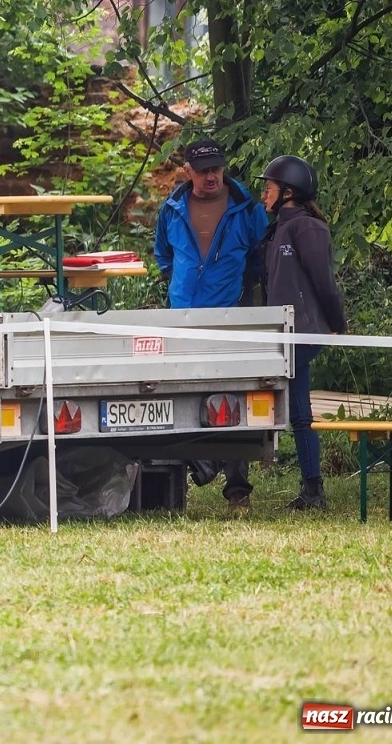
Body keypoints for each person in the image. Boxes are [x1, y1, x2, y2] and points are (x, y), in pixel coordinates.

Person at [153, 138, 269, 507]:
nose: (211, 177)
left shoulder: (245, 206)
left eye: (216, 169)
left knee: (232, 398)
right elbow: (164, 256)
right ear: (187, 171)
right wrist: (184, 290)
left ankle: (237, 490)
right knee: (181, 395)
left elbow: (260, 253)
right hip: (182, 317)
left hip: (230, 316)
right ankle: (188, 474)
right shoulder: (172, 209)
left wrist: (236, 289)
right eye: (203, 171)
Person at [258, 154, 348, 510]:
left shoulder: (307, 227)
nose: (265, 195)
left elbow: (324, 283)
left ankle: (314, 489)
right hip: (286, 331)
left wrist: (337, 323)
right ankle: (312, 488)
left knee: (299, 411)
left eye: (269, 188)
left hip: (305, 330)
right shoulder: (280, 227)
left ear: (289, 192)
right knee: (297, 410)